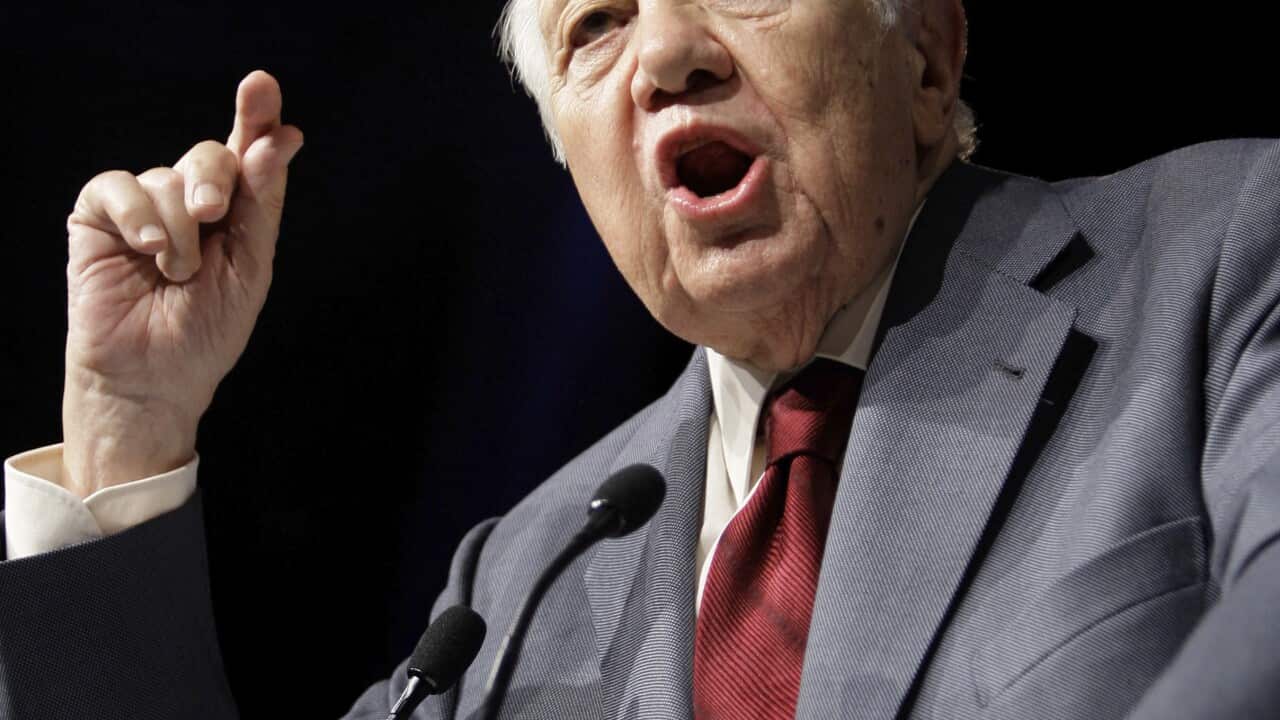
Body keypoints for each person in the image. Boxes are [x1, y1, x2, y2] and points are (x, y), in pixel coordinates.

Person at [2, 0, 1278, 717]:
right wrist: (130, 426)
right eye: (595, 27)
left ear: (929, 59)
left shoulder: (1219, 262)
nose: (668, 56)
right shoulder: (526, 578)